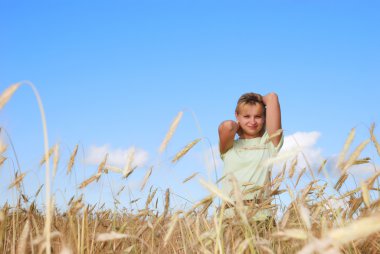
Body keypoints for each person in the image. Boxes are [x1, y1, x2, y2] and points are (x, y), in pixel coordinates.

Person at [218, 92, 283, 220]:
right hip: (230, 217)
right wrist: (239, 125)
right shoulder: (228, 148)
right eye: (246, 116)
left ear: (265, 117)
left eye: (258, 116)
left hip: (261, 217)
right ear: (237, 116)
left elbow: (272, 98)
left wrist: (256, 99)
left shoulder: (269, 143)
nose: (252, 121)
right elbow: (228, 126)